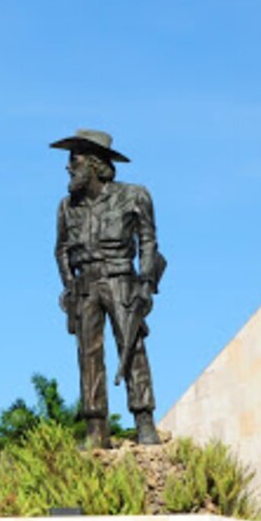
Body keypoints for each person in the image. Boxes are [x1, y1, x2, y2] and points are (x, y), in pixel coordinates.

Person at [53, 129, 166, 449]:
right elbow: (60, 250)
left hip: (121, 279)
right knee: (87, 356)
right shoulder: (66, 207)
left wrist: (146, 282)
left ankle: (144, 422)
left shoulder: (134, 195)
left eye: (73, 161)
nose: (68, 168)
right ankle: (95, 429)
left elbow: (148, 240)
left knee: (132, 348)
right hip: (85, 285)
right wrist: (69, 284)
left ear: (94, 163)